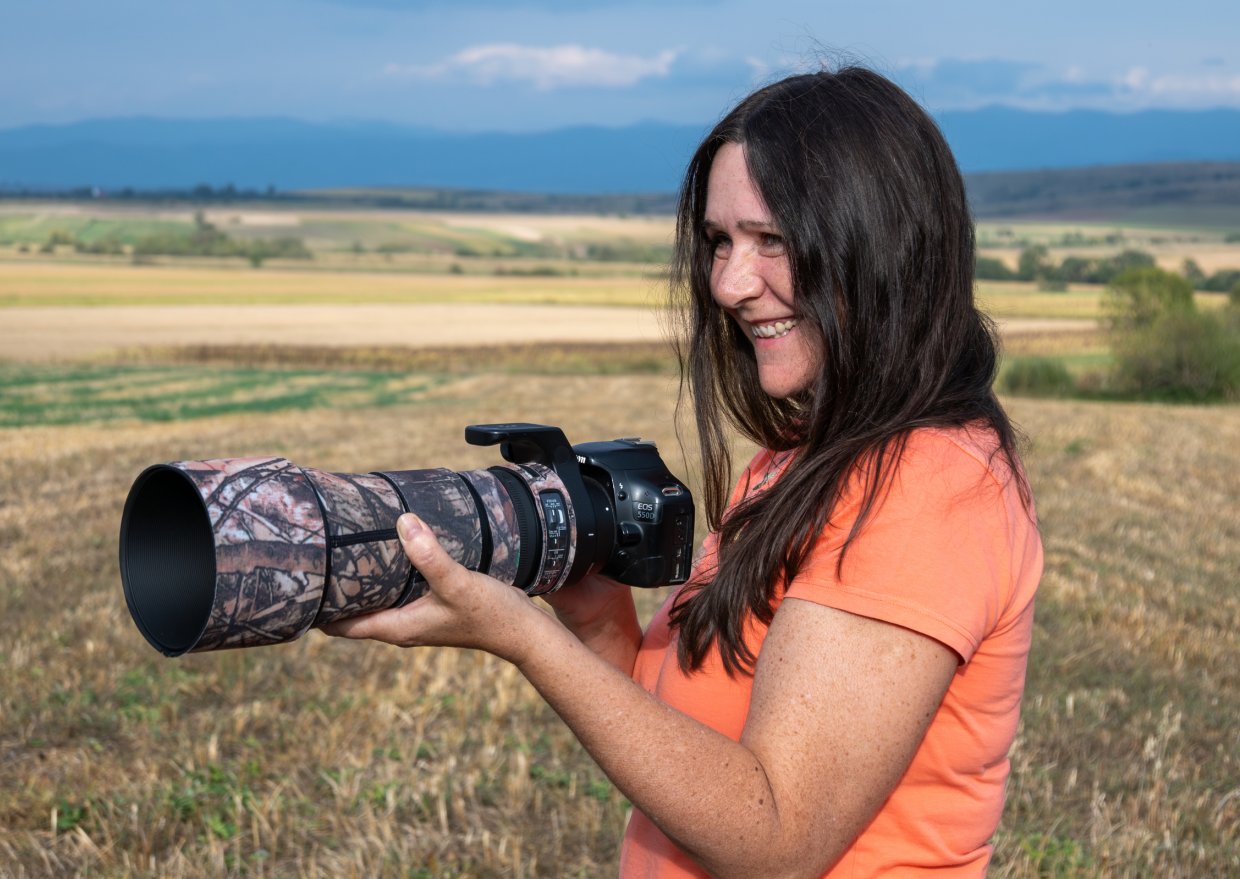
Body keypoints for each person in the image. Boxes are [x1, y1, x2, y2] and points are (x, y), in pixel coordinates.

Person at [325, 66, 1043, 878]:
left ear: (881, 245)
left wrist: (520, 637)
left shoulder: (926, 487)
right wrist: (594, 618)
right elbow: (691, 745)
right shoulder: (804, 462)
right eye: (719, 242)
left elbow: (776, 833)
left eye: (774, 240)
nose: (731, 284)